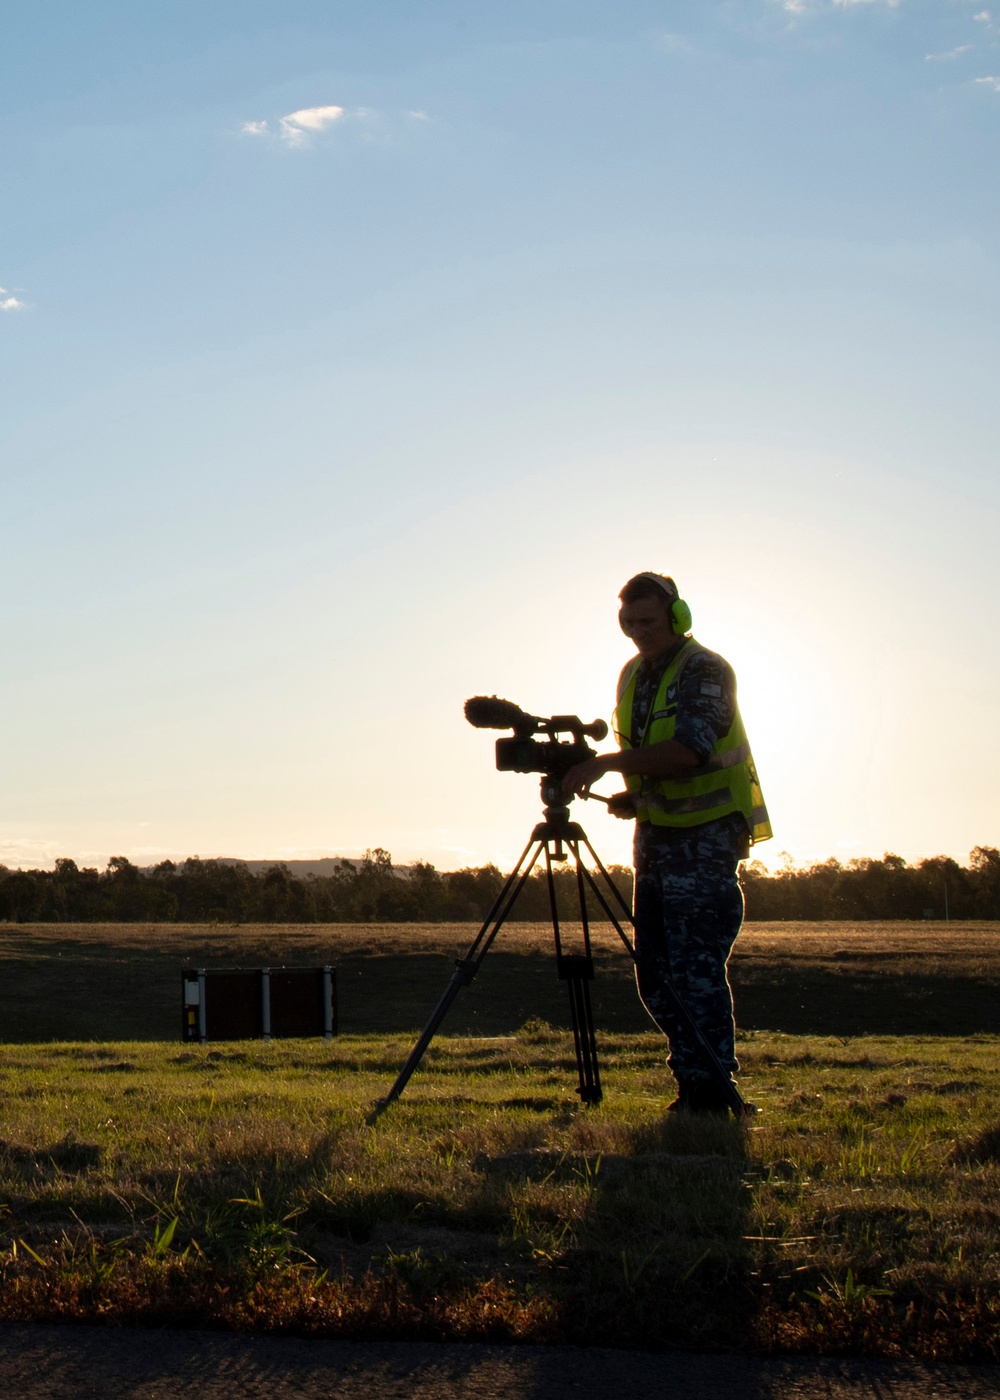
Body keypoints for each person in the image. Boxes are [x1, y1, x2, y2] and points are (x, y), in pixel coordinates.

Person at [562, 572, 771, 1114]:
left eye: (648, 621)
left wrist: (604, 763)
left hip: (704, 839)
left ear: (677, 617)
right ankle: (691, 1083)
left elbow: (689, 751)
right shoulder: (633, 673)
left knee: (694, 971)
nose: (637, 632)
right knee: (653, 975)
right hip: (654, 838)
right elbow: (655, 756)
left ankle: (714, 1090)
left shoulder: (705, 668)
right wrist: (635, 795)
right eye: (628, 622)